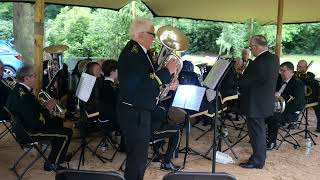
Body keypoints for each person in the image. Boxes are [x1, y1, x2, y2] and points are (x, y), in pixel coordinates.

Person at [117, 18, 178, 180]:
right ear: (142, 35)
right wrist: (166, 71)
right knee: (137, 159)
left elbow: (145, 81)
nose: (154, 38)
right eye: (152, 34)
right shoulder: (134, 54)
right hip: (135, 112)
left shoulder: (136, 52)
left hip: (137, 109)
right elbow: (144, 84)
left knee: (138, 157)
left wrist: (167, 84)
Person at [6, 65, 73, 171]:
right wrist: (48, 109)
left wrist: (44, 107)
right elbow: (35, 121)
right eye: (34, 76)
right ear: (26, 78)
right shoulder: (24, 96)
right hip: (29, 131)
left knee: (58, 122)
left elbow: (31, 111)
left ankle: (57, 155)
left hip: (25, 128)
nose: (36, 78)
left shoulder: (20, 90)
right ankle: (52, 164)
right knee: (67, 133)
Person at [238, 35, 279, 169]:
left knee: (257, 132)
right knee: (259, 131)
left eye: (251, 47)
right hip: (264, 101)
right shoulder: (273, 58)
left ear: (256, 47)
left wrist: (238, 78)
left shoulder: (259, 61)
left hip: (256, 103)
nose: (251, 50)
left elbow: (247, 81)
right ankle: (259, 157)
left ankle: (257, 161)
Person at [265, 62, 305, 150]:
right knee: (260, 113)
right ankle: (261, 137)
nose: (281, 73)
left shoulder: (298, 84)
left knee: (272, 117)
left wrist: (279, 100)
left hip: (291, 112)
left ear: (291, 72)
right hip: (277, 107)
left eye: (284, 71)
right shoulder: (279, 79)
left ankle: (272, 141)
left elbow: (297, 104)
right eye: (280, 70)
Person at [296, 60, 320, 132]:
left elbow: (315, 86)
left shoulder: (309, 77)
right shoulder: (294, 75)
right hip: (296, 98)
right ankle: (292, 122)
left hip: (309, 98)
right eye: (298, 66)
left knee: (318, 104)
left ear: (306, 67)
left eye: (301, 67)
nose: (299, 68)